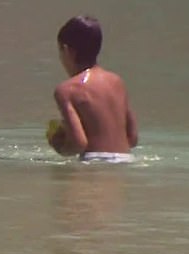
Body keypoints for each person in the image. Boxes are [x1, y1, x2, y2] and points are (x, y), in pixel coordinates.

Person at [49, 15, 138, 163]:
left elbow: (79, 143)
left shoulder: (66, 90)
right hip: (127, 159)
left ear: (66, 50)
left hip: (94, 162)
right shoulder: (116, 82)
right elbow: (132, 138)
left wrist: (59, 145)